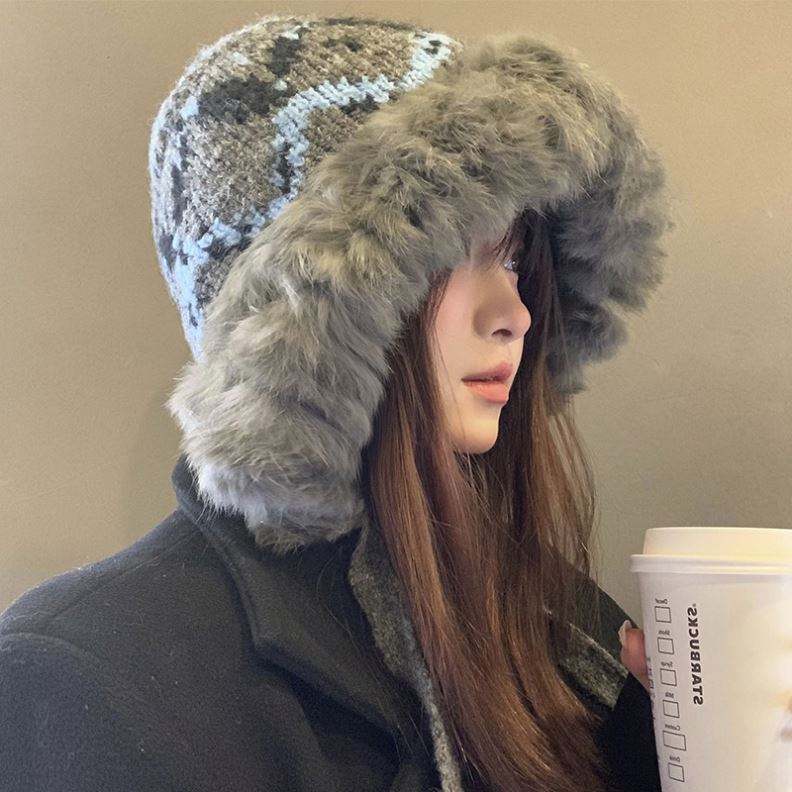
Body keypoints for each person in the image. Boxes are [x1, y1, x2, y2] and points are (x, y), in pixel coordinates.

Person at [0, 12, 674, 792]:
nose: (514, 314)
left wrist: (684, 750)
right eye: (447, 253)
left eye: (515, 259)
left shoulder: (553, 623)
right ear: (305, 313)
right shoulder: (86, 675)